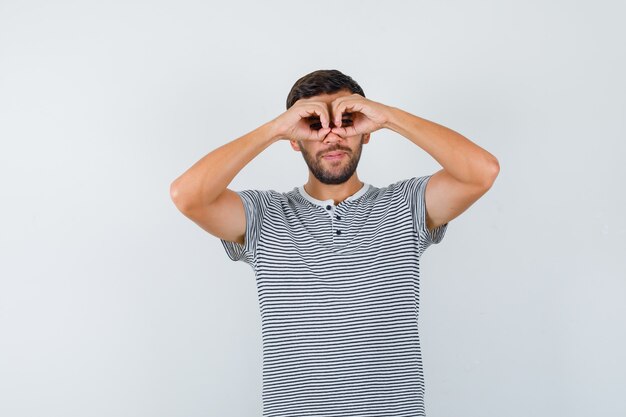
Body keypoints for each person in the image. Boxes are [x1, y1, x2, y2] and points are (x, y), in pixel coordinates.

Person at [170, 69, 500, 417]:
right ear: (294, 138)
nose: (332, 136)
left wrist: (387, 117)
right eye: (313, 123)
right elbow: (187, 196)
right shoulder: (264, 215)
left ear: (365, 132)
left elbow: (482, 172)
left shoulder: (406, 205)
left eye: (346, 120)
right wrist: (274, 130)